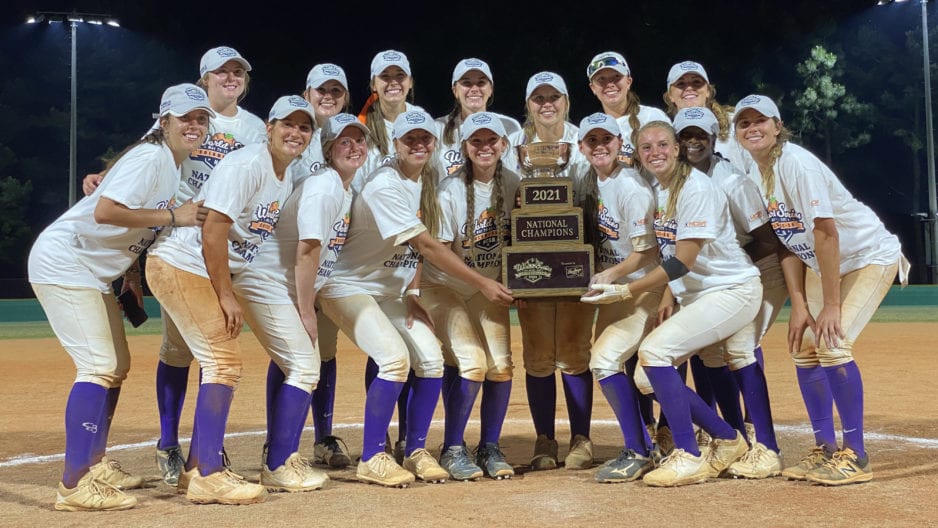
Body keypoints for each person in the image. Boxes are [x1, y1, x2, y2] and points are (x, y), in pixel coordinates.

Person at [84, 46, 268, 487]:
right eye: (221, 72)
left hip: (227, 246)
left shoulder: (256, 128)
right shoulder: (183, 115)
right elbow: (143, 151)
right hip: (179, 241)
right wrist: (105, 177)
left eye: (238, 71)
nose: (230, 78)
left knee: (214, 343)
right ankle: (169, 443)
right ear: (204, 79)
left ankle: (208, 444)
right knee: (181, 349)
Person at [28, 83, 213, 511]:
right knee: (98, 365)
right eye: (186, 117)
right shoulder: (151, 157)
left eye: (201, 118)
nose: (195, 125)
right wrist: (174, 216)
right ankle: (74, 485)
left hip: (94, 272)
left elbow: (132, 226)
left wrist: (129, 275)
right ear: (163, 121)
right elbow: (105, 211)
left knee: (118, 365)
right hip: (65, 262)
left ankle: (95, 463)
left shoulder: (171, 166)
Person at [318, 110, 514, 487]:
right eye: (410, 139)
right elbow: (425, 244)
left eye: (425, 139)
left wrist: (412, 291)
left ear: (435, 144)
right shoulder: (384, 184)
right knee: (394, 359)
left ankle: (416, 450)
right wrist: (483, 283)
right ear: (395, 145)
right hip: (349, 285)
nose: (419, 144)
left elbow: (417, 253)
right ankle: (373, 455)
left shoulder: (427, 179)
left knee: (431, 358)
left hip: (391, 289)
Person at [146, 95, 318, 504]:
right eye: (287, 125)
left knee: (242, 362)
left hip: (220, 268)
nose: (294, 133)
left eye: (304, 127)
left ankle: (196, 470)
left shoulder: (286, 174)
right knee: (222, 362)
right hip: (181, 263)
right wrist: (226, 295)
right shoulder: (247, 164)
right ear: (269, 128)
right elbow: (214, 230)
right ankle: (208, 472)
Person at [734, 94, 909, 485]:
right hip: (818, 261)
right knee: (803, 347)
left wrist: (830, 304)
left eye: (760, 120)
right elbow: (784, 241)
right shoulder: (754, 173)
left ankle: (857, 456)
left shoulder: (795, 163)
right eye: (744, 123)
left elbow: (825, 233)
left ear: (778, 127)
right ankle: (825, 449)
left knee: (832, 342)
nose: (752, 128)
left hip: (866, 256)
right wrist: (798, 303)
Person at [585, 120, 761, 487]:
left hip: (730, 290)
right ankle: (727, 438)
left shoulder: (696, 188)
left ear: (677, 148)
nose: (655, 153)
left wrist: (627, 291)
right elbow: (664, 255)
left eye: (662, 145)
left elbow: (682, 261)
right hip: (697, 294)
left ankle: (689, 454)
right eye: (646, 147)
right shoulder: (661, 188)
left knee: (654, 352)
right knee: (646, 376)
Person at [672, 106, 787, 479]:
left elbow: (768, 241)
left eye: (700, 135)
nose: (693, 142)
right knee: (709, 354)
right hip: (720, 276)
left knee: (738, 349)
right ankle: (735, 438)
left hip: (758, 270)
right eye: (685, 136)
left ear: (713, 139)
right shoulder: (677, 179)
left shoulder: (732, 181)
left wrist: (726, 262)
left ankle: (767, 448)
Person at [419, 111, 521, 480]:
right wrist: (482, 283)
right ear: (464, 147)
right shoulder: (449, 189)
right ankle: (452, 448)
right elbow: (440, 253)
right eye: (476, 141)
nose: (484, 147)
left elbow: (527, 240)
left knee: (501, 367)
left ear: (503, 145)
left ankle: (490, 446)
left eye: (491, 140)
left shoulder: (514, 183)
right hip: (444, 285)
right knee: (473, 362)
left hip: (487, 287)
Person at [507, 71, 595, 471]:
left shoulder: (584, 141)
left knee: (576, 354)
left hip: (578, 266)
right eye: (538, 97)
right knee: (538, 357)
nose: (546, 104)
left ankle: (582, 438)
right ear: (528, 104)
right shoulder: (512, 148)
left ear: (566, 101)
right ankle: (545, 439)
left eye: (553, 97)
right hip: (532, 267)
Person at [576, 113, 661, 483]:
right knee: (619, 364)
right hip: (618, 290)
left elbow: (647, 252)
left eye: (605, 139)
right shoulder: (589, 183)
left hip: (644, 287)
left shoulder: (631, 187)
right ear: (582, 147)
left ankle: (639, 449)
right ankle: (646, 442)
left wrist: (608, 275)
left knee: (606, 359)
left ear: (619, 143)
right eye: (591, 140)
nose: (599, 146)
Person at [287, 62, 356, 469]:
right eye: (321, 90)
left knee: (325, 352)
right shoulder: (296, 138)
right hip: (293, 266)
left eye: (336, 91)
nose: (328, 97)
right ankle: (281, 442)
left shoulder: (349, 140)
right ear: (307, 93)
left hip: (331, 267)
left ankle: (323, 438)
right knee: (292, 355)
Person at [436, 58, 521, 179]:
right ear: (455, 90)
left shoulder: (509, 126)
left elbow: (515, 173)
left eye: (481, 83)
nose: (474, 89)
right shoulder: (438, 127)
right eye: (467, 83)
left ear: (490, 89)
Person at [662, 60, 751, 174]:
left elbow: (756, 166)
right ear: (670, 96)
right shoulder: (666, 132)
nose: (689, 88)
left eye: (696, 82)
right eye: (681, 84)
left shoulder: (735, 122)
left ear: (708, 90)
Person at [585, 51, 670, 167]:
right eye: (601, 79)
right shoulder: (590, 129)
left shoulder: (652, 117)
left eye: (616, 77)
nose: (610, 84)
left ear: (628, 82)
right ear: (593, 88)